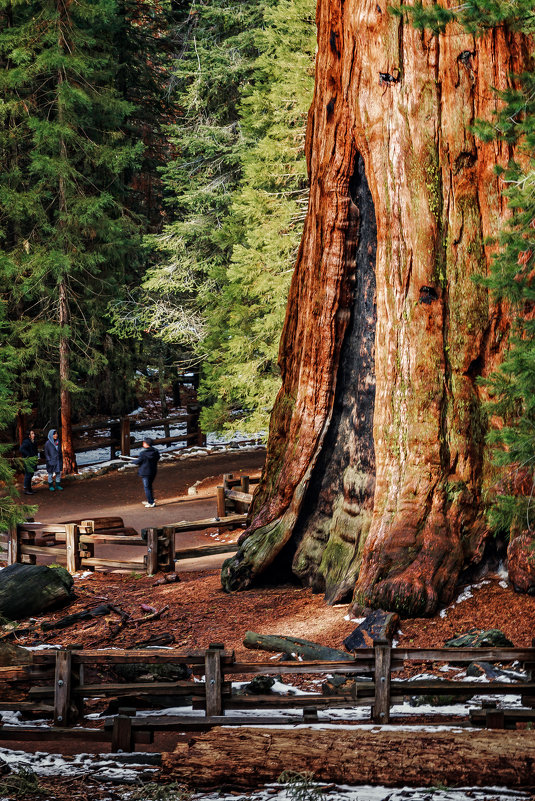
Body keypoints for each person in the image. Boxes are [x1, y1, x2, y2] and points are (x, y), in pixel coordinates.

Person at [134, 437, 160, 507]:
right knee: (149, 486)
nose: (143, 443)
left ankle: (151, 502)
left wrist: (134, 461)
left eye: (144, 442)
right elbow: (157, 458)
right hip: (153, 471)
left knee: (147, 487)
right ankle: (150, 499)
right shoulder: (156, 452)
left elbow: (138, 462)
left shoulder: (143, 453)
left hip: (145, 472)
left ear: (146, 444)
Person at [20, 429, 39, 495]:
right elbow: (21, 449)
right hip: (27, 460)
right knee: (28, 474)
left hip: (33, 460)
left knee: (31, 474)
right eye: (32, 433)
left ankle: (29, 488)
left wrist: (36, 457)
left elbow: (35, 450)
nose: (34, 435)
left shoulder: (33, 441)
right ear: (29, 435)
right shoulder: (26, 442)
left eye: (34, 433)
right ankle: (26, 489)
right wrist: (28, 455)